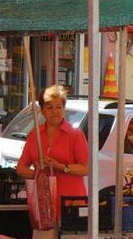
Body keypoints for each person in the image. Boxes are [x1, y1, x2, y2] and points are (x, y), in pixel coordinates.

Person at [16, 85, 89, 216]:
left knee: (68, 236)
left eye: (59, 107)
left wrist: (59, 166)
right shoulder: (35, 134)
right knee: (44, 236)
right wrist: (39, 176)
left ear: (64, 109)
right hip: (43, 204)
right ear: (42, 110)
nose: (54, 111)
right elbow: (21, 167)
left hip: (71, 203)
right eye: (49, 107)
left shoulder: (75, 134)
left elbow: (86, 168)